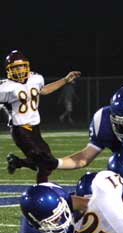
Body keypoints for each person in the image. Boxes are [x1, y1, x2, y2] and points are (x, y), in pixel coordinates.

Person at [0, 50, 81, 183]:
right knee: (44, 161)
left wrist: (65, 80)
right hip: (20, 130)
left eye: (21, 66)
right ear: (9, 70)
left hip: (35, 128)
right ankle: (42, 189)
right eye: (15, 67)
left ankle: (17, 162)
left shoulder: (35, 78)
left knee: (47, 161)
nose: (19, 70)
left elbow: (44, 90)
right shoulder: (5, 87)